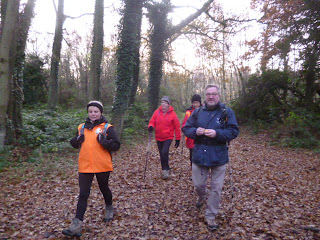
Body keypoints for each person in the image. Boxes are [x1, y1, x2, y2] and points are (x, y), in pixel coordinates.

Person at [182, 84, 239, 231]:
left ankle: (211, 216)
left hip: (219, 156)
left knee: (216, 189)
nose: (211, 96)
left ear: (218, 95)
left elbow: (234, 131)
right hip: (200, 155)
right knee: (198, 185)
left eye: (214, 94)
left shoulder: (227, 112)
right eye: (208, 94)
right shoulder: (197, 112)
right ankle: (201, 197)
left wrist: (217, 134)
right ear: (205, 96)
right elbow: (186, 129)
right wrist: (196, 131)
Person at [62, 100, 120, 237]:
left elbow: (117, 145)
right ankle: (76, 225)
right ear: (88, 113)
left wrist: (105, 143)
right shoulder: (82, 127)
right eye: (90, 111)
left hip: (102, 165)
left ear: (101, 113)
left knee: (104, 188)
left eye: (96, 111)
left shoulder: (108, 128)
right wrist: (76, 140)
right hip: (85, 165)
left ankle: (109, 207)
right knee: (83, 194)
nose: (93, 114)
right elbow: (75, 143)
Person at [148, 96, 181, 180]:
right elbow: (152, 121)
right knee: (161, 154)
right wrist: (151, 126)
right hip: (158, 137)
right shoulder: (157, 112)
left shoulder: (173, 114)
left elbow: (177, 127)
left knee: (164, 152)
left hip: (168, 137)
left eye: (165, 102)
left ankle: (166, 170)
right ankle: (164, 168)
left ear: (168, 104)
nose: (163, 104)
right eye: (162, 102)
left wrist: (178, 138)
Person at [181, 94, 202, 167]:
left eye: (197, 102)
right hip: (191, 137)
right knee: (192, 155)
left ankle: (201, 171)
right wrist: (184, 129)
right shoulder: (188, 112)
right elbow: (185, 123)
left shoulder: (204, 110)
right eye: (194, 103)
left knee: (201, 155)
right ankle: (193, 171)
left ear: (200, 103)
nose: (195, 104)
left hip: (202, 137)